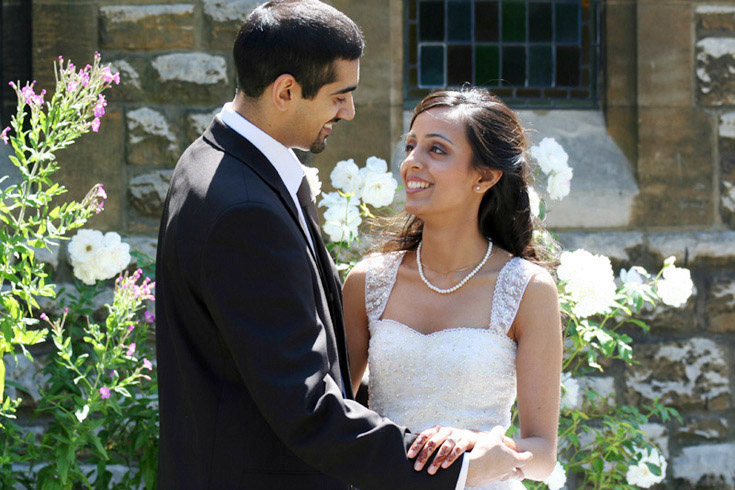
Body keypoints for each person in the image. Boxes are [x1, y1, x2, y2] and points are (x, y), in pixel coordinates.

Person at [155, 1, 532, 488]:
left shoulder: (212, 162)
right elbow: (307, 406)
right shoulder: (245, 208)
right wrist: (460, 469)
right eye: (339, 96)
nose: (349, 112)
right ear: (286, 91)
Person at [342, 88, 563, 488]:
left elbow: (543, 456)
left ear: (485, 176)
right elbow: (333, 419)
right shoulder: (368, 281)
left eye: (437, 150)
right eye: (411, 146)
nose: (412, 162)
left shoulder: (527, 289)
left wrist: (481, 443)